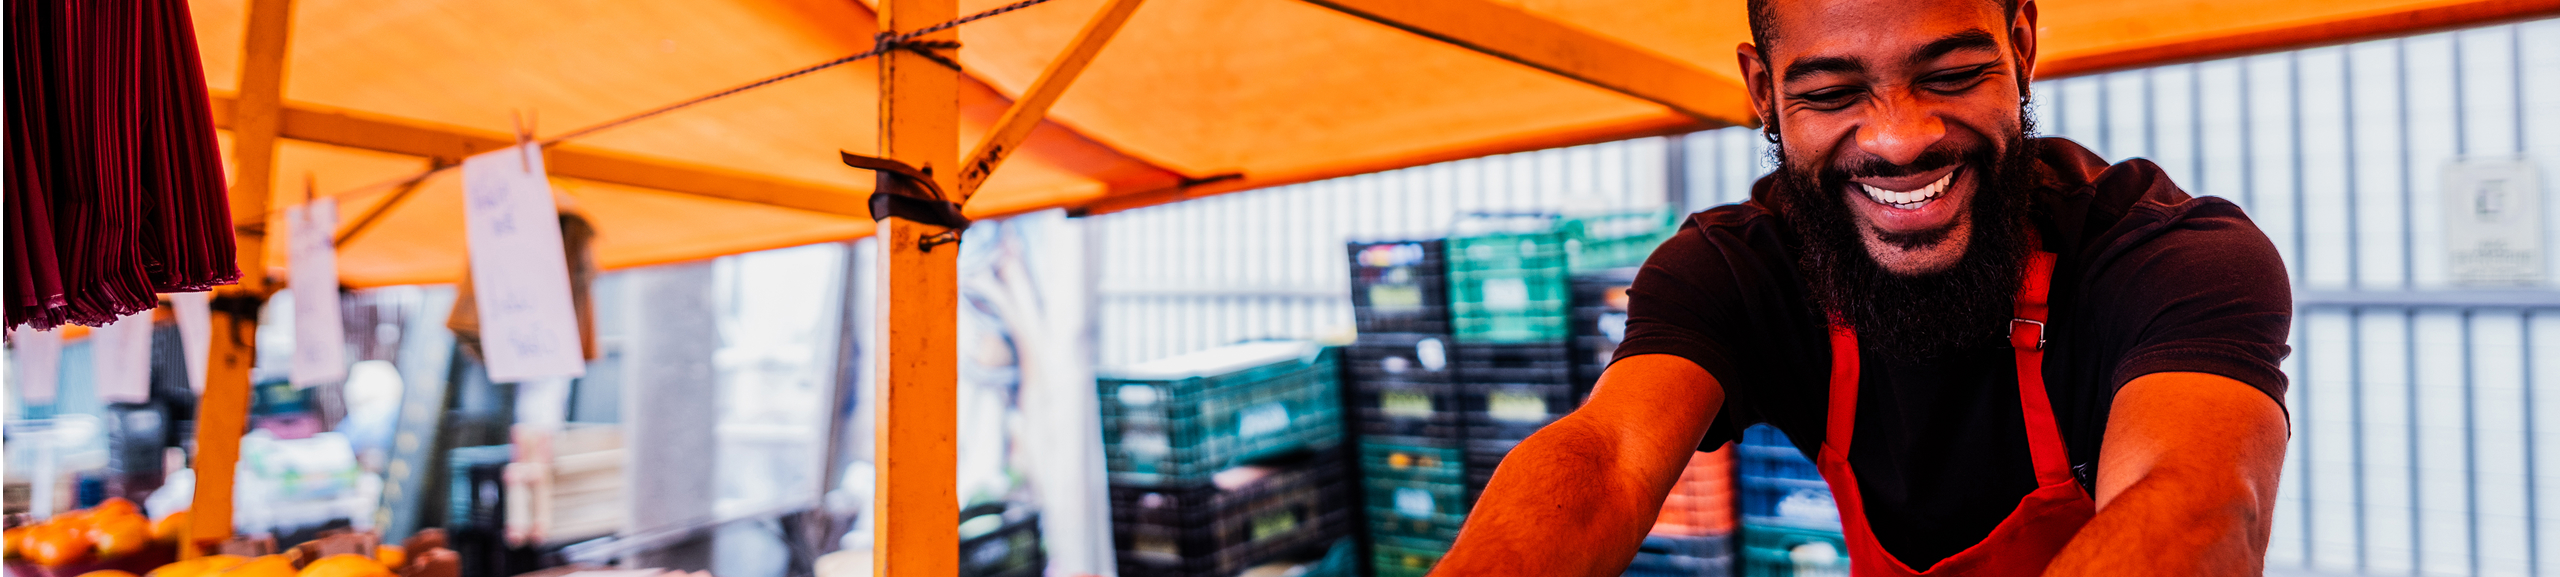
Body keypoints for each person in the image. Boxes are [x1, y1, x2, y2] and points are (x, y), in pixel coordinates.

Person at [1434, 0, 2293, 574]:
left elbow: (2203, 505)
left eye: (1952, 75)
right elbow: (1608, 458)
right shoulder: (1738, 267)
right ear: (1763, 91)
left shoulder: (2168, 254)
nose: (1898, 138)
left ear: (2022, 45)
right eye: (1834, 91)